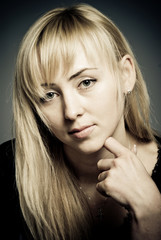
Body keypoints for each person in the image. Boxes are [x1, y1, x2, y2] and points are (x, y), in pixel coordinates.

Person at [1, 3, 161, 240]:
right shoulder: (8, 169)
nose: (71, 111)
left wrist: (151, 214)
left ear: (125, 75)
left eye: (86, 82)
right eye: (49, 95)